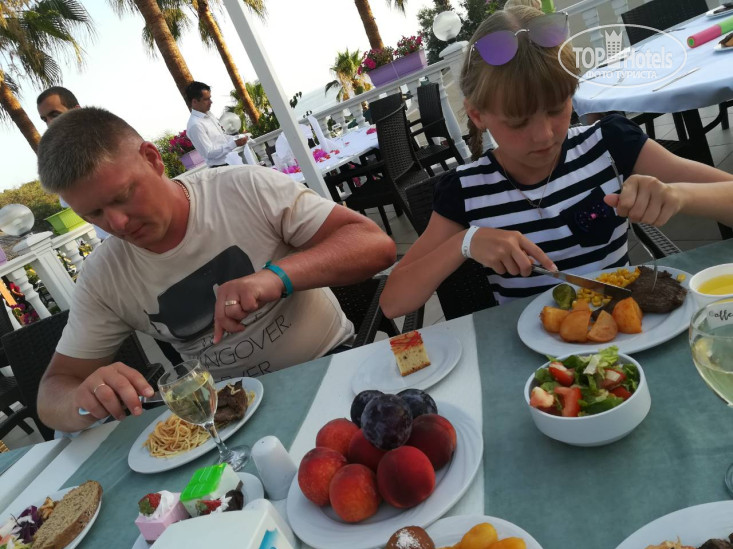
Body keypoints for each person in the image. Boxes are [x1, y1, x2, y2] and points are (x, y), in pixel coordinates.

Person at [36, 107, 396, 433]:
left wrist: (276, 277)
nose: (117, 223)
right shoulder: (104, 276)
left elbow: (374, 245)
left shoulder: (243, 188)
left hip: (328, 366)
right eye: (94, 214)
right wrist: (81, 399)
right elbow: (53, 392)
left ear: (152, 159)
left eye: (122, 196)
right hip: (226, 416)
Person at [380, 6, 733, 318]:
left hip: (627, 331)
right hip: (535, 363)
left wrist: (679, 196)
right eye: (519, 122)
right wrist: (465, 243)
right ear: (478, 115)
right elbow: (393, 302)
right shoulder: (466, 192)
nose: (544, 135)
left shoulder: (608, 143)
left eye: (556, 109)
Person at [36, 87, 110, 241]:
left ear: (76, 110)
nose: (50, 123)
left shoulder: (112, 137)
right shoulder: (60, 161)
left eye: (55, 115)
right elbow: (79, 211)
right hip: (111, 239)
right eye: (45, 119)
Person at [186, 81, 248, 168]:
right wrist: (234, 144)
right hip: (220, 167)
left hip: (231, 161)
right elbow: (209, 153)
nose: (211, 102)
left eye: (209, 98)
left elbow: (221, 138)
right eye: (206, 99)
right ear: (194, 102)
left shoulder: (209, 115)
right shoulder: (195, 125)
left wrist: (238, 137)